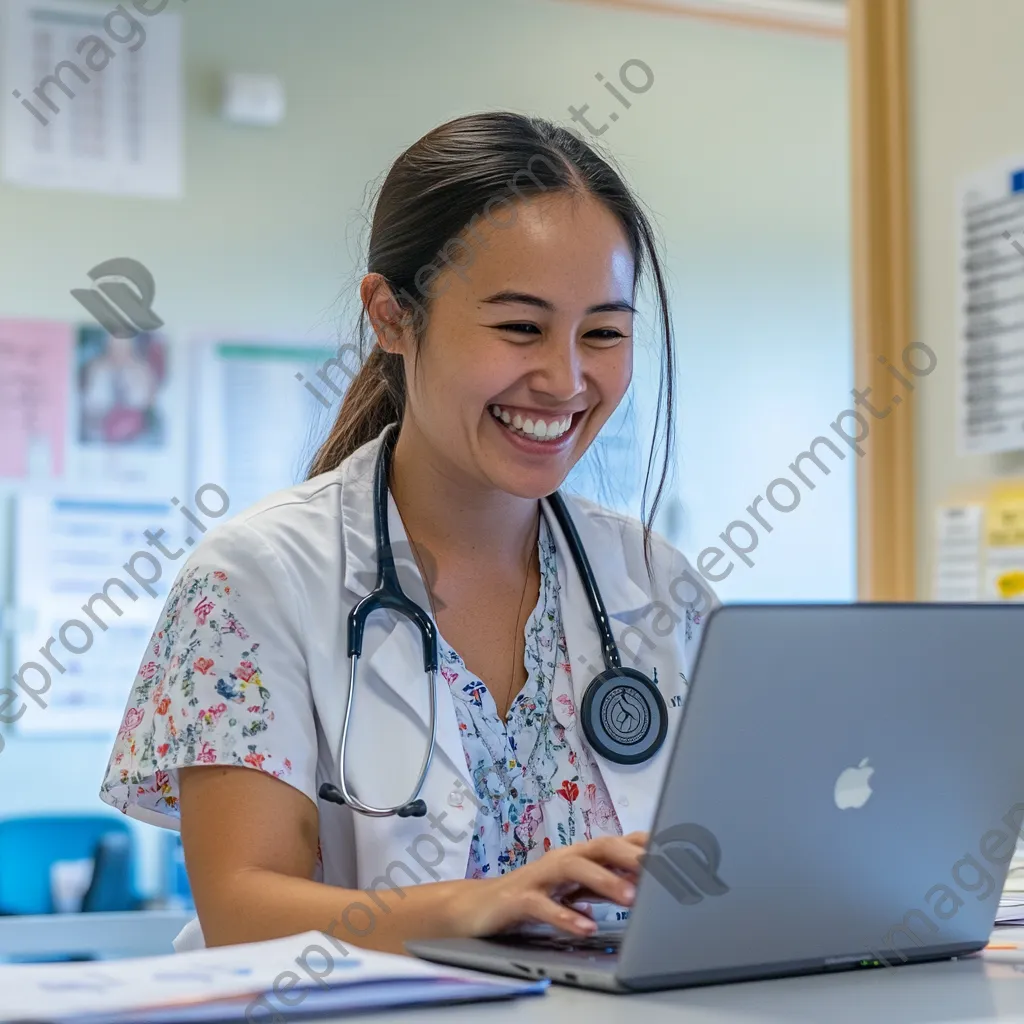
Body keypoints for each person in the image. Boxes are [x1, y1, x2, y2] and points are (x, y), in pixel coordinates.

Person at [98, 111, 716, 955]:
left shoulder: (656, 586)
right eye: (520, 327)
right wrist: (478, 906)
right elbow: (242, 909)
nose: (566, 379)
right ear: (391, 316)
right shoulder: (255, 580)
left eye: (603, 332)